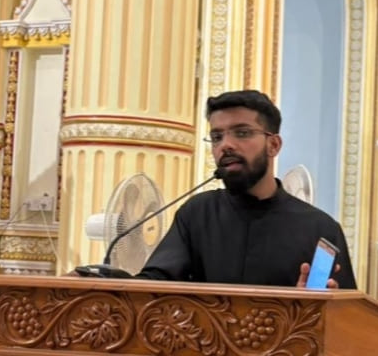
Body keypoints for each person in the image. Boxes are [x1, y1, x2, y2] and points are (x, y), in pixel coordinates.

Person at [136, 91, 353, 289]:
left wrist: (308, 306)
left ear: (274, 145)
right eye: (217, 137)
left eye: (241, 133)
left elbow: (347, 318)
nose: (225, 145)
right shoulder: (197, 214)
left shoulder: (319, 229)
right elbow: (156, 284)